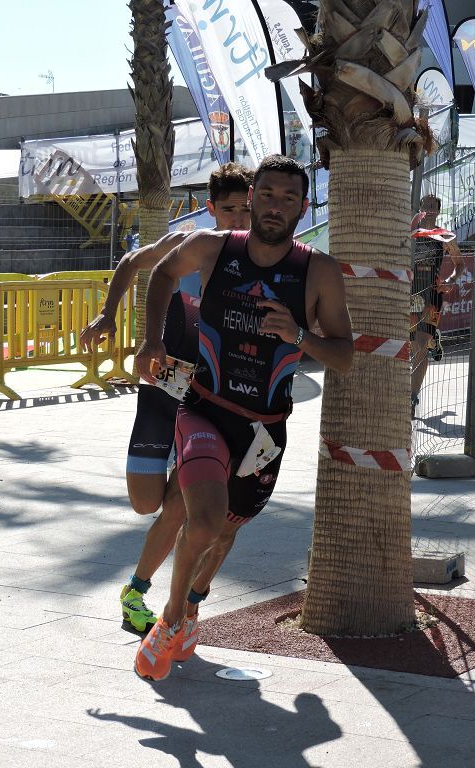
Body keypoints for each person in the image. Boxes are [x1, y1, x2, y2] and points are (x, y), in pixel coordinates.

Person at [131, 155, 353, 681]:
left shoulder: (317, 271)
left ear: (304, 207)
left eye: (288, 198)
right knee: (202, 518)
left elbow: (343, 356)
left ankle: (191, 607)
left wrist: (297, 336)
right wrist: (152, 339)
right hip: (204, 408)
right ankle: (169, 620)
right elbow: (162, 273)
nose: (275, 206)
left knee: (226, 531)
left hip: (263, 428)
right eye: (268, 194)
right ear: (250, 197)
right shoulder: (214, 248)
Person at [79, 162, 254, 634]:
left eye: (246, 209)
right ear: (211, 209)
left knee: (182, 502)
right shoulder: (187, 246)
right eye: (230, 209)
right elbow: (131, 263)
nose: (239, 218)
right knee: (145, 502)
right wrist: (107, 314)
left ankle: (143, 594)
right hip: (162, 390)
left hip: (209, 404)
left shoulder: (261, 259)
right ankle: (171, 561)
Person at [410, 195, 465, 412]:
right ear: (420, 209)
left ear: (439, 211)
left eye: (434, 206)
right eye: (426, 205)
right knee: (415, 344)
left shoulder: (444, 236)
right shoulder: (410, 233)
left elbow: (459, 263)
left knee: (421, 346)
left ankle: (412, 397)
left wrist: (451, 280)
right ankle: (435, 340)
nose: (430, 209)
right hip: (411, 292)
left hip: (432, 293)